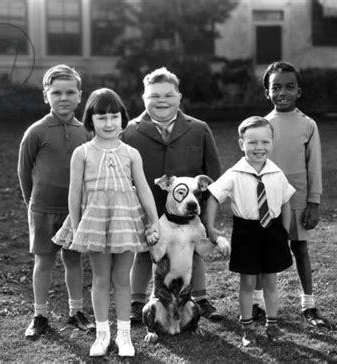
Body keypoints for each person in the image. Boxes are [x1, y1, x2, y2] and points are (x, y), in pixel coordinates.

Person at [52, 88, 159, 357]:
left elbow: (143, 188)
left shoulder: (131, 153)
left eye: (114, 117)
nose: (109, 123)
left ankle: (124, 336)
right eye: (102, 118)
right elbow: (74, 193)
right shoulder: (83, 153)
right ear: (91, 121)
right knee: (100, 278)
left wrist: (154, 221)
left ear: (123, 119)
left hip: (125, 219)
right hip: (95, 222)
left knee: (122, 278)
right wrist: (77, 228)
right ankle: (102, 335)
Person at [121, 67, 223, 322]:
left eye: (168, 94)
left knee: (193, 251)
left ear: (180, 97)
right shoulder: (130, 131)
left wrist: (209, 220)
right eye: (154, 96)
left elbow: (214, 178)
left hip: (187, 211)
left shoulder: (198, 128)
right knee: (144, 253)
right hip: (147, 208)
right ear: (144, 98)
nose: (161, 100)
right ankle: (137, 302)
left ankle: (199, 298)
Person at [17, 64, 94, 340]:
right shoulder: (36, 131)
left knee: (74, 261)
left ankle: (76, 311)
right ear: (45, 96)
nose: (64, 97)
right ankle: (40, 315)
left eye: (70, 92)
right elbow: (24, 171)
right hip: (43, 210)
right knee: (44, 261)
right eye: (57, 92)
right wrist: (32, 203)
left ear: (80, 95)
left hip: (74, 211)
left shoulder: (86, 131)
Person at [205, 116, 295, 346]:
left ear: (272, 143)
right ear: (241, 144)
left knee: (270, 282)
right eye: (252, 142)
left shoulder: (276, 172)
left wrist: (283, 231)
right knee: (247, 283)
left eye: (265, 142)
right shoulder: (235, 173)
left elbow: (286, 202)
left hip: (273, 230)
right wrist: (211, 227)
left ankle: (272, 325)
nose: (259, 147)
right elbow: (214, 196)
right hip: (247, 232)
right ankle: (247, 329)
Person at [252, 60, 326, 327]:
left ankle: (309, 304)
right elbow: (254, 164)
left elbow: (313, 166)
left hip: (298, 200)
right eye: (276, 87)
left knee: (300, 248)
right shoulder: (261, 126)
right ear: (267, 92)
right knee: (265, 252)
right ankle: (258, 303)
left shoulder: (308, 125)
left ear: (299, 91)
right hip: (267, 201)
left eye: (289, 87)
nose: (282, 93)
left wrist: (313, 203)